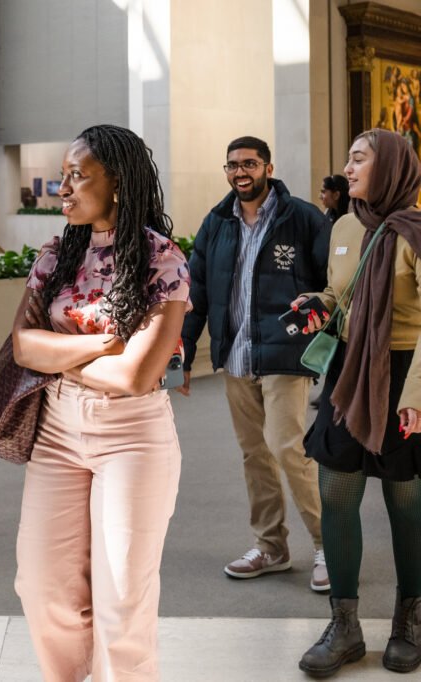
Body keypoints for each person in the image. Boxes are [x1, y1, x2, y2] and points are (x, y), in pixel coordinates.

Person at [11, 124, 190, 681]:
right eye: (62, 176)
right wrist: (97, 346)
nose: (62, 188)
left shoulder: (162, 259)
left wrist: (58, 352)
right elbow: (22, 344)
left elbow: (138, 377)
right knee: (42, 587)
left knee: (122, 600)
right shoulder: (57, 252)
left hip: (133, 435)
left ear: (117, 183)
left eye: (76, 175)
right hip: (57, 431)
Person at [179, 136, 331, 590]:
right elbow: (197, 291)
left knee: (288, 446)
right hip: (237, 354)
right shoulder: (217, 222)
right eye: (232, 165)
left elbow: (332, 284)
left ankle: (330, 546)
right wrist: (185, 353)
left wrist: (322, 323)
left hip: (285, 350)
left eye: (249, 163)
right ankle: (271, 546)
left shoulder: (301, 218)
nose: (239, 172)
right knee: (255, 455)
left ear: (268, 167)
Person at [297, 128, 421, 677]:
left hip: (403, 374)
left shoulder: (417, 231)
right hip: (351, 372)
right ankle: (344, 625)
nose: (346, 168)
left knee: (407, 504)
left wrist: (416, 395)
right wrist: (319, 304)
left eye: (358, 159)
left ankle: (410, 620)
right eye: (346, 157)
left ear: (391, 167)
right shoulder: (346, 225)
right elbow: (341, 292)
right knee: (337, 493)